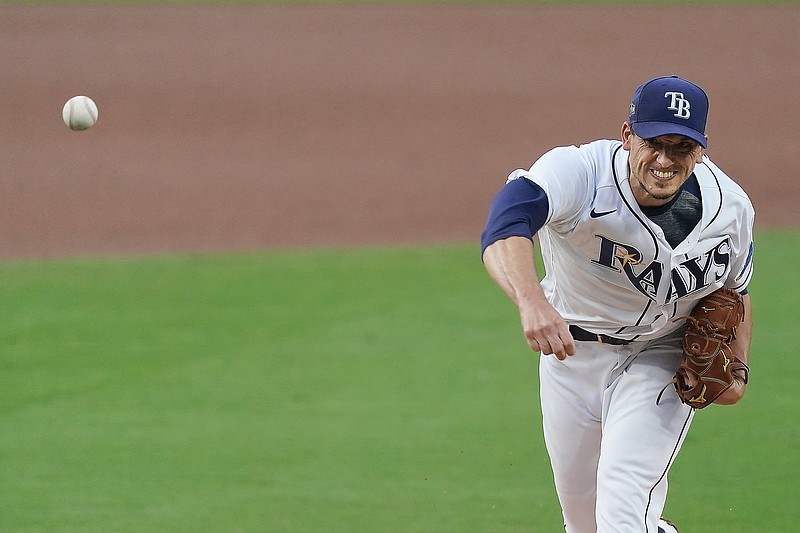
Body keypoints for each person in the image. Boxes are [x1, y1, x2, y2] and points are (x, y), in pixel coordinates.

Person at [480, 75, 754, 533]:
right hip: (572, 354)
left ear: (701, 151)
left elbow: (736, 292)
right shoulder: (580, 174)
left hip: (662, 355)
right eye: (654, 143)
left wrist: (739, 368)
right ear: (627, 136)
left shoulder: (731, 209)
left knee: (623, 509)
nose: (665, 160)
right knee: (582, 523)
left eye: (682, 148)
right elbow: (505, 222)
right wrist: (531, 301)